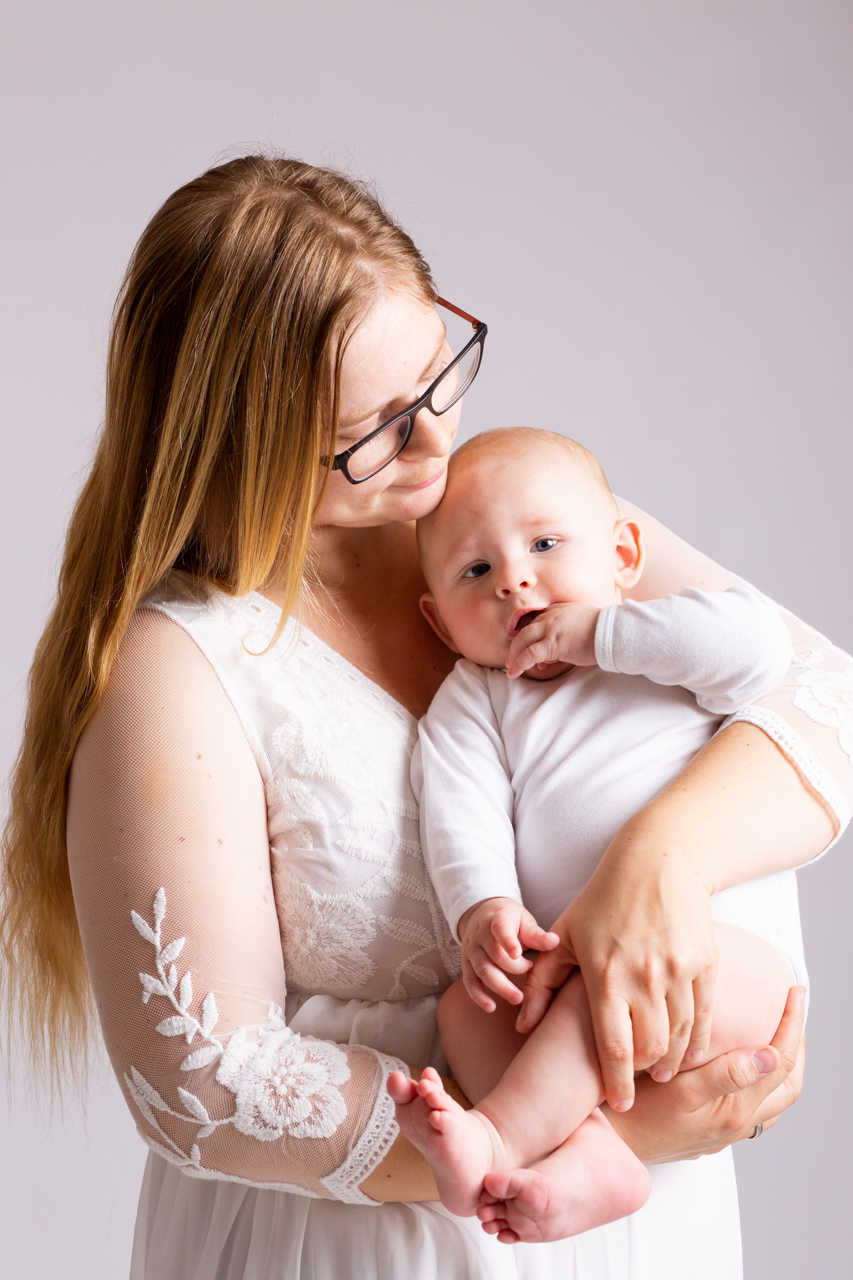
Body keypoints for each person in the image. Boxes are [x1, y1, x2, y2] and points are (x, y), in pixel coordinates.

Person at [0, 154, 842, 1280]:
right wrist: (614, 1127)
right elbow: (196, 1083)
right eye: (374, 433)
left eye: (439, 378)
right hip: (378, 1245)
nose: (438, 449)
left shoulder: (510, 522)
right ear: (243, 444)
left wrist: (661, 861)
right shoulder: (175, 666)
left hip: (646, 1238)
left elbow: (817, 694)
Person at [390, 427, 806, 1243]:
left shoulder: (662, 641)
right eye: (476, 572)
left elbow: (761, 652)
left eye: (545, 544)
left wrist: (600, 635)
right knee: (465, 1014)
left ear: (623, 554)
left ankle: (503, 1135)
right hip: (570, 985)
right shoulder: (475, 699)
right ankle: (594, 1152)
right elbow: (457, 807)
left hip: (724, 970)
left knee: (597, 985)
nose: (515, 580)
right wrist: (484, 907)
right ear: (441, 626)